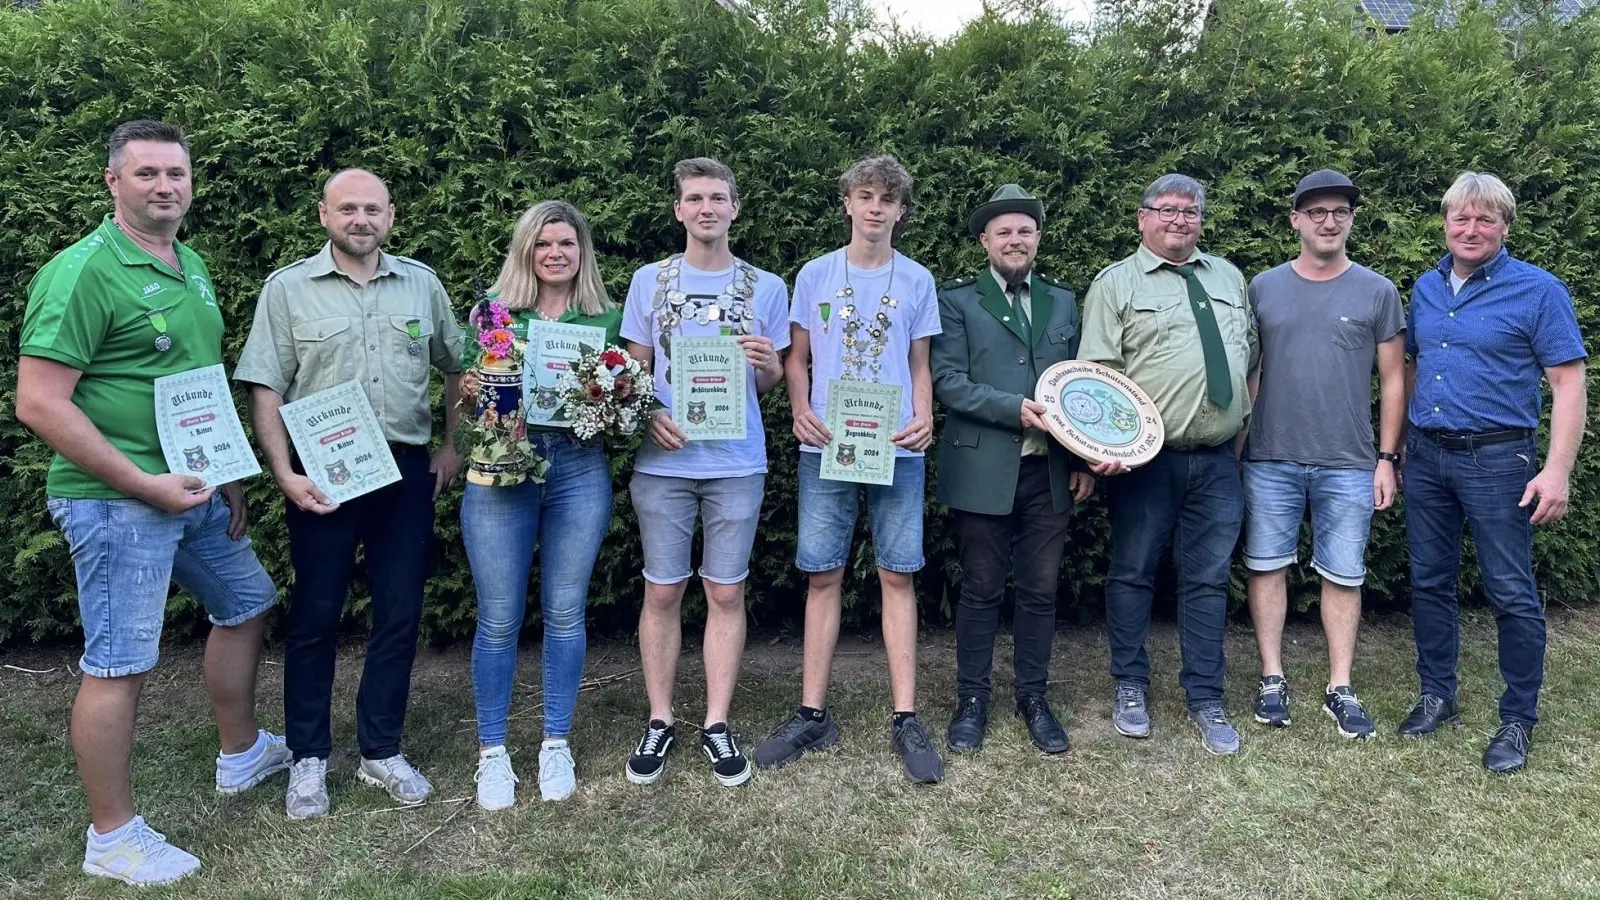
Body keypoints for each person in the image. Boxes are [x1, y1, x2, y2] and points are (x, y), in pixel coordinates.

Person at [16, 119, 289, 886]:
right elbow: (38, 402)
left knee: (247, 602)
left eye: (177, 173)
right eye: (147, 173)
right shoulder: (83, 273)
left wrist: (225, 468)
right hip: (118, 502)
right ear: (113, 182)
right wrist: (143, 484)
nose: (165, 186)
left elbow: (196, 381)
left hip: (192, 486)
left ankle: (241, 752)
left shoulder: (187, 262)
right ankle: (113, 838)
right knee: (120, 664)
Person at [234, 168, 466, 818]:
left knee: (399, 613)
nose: (360, 220)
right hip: (323, 474)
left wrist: (453, 446)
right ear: (324, 215)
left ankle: (380, 750)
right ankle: (308, 757)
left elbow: (458, 365)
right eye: (347, 209)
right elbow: (265, 385)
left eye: (372, 209)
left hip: (404, 471)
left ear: (390, 215)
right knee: (315, 616)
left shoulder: (421, 284)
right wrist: (283, 472)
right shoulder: (288, 290)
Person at [753, 155, 944, 783]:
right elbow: (797, 358)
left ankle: (906, 717)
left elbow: (919, 363)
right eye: (865, 196)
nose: (875, 208)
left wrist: (925, 417)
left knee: (898, 575)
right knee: (823, 574)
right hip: (827, 445)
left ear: (900, 210)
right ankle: (812, 714)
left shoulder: (917, 278)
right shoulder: (814, 274)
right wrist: (800, 410)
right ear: (848, 204)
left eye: (887, 199)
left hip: (897, 444)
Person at [1398, 171, 1586, 774]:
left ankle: (1518, 718)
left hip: (1499, 461)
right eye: (1461, 217)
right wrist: (1396, 451)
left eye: (1485, 219)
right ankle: (1438, 694)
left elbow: (1568, 383)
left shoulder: (1539, 290)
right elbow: (1413, 366)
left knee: (1510, 589)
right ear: (1445, 224)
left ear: (1505, 226)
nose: (1471, 229)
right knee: (1430, 581)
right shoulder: (1426, 288)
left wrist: (1556, 471)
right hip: (1427, 456)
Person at [620, 158, 789, 788]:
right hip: (664, 461)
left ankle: (717, 722)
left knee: (725, 591)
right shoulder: (649, 280)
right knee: (662, 591)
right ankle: (660, 718)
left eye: (718, 198)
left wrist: (769, 364)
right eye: (695, 198)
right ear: (679, 210)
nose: (707, 208)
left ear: (735, 209)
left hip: (736, 461)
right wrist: (649, 413)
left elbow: (770, 381)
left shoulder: (766, 287)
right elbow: (632, 371)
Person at [1077, 173, 1258, 756]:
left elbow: (1249, 360)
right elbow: (1098, 375)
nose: (1180, 220)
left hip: (1218, 461)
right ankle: (1130, 685)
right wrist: (1105, 449)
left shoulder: (1228, 278)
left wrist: (1238, 434)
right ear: (1143, 218)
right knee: (1133, 572)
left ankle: (1205, 696)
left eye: (1190, 211)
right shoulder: (1115, 283)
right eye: (1167, 210)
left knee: (1208, 579)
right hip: (1145, 463)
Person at [461, 201, 622, 808]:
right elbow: (469, 395)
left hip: (578, 466)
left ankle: (556, 741)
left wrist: (613, 401)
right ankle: (492, 752)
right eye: (543, 243)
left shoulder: (606, 317)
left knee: (565, 612)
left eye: (567, 243)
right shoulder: (493, 312)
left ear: (583, 252)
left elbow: (624, 394)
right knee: (499, 618)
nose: (555, 253)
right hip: (503, 467)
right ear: (526, 249)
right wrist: (475, 390)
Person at [927, 184, 1094, 757]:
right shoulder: (958, 301)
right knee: (979, 591)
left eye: (1025, 230)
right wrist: (1011, 408)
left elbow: (1079, 386)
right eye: (1004, 232)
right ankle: (972, 699)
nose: (1015, 240)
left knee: (1041, 591)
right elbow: (947, 381)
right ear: (985, 241)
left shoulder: (1063, 301)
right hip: (983, 469)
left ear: (1037, 238)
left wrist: (1082, 457)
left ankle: (1033, 697)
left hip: (1049, 471)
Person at [1242, 170, 1404, 740]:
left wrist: (1387, 458)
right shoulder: (1262, 287)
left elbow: (1394, 380)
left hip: (1349, 461)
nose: (1328, 221)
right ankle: (1271, 677)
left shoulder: (1378, 291)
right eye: (1316, 212)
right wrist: (1240, 444)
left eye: (1339, 212)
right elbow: (1251, 372)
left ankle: (1341, 686)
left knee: (1343, 571)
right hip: (1270, 456)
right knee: (1266, 565)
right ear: (1296, 221)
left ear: (1351, 219)